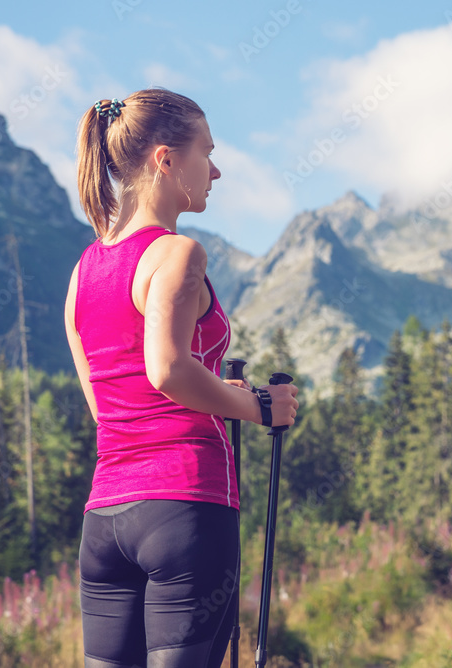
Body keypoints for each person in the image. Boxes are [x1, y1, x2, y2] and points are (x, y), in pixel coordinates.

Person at [64, 88, 298, 668]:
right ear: (165, 159)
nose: (216, 171)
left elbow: (111, 407)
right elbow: (167, 369)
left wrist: (222, 392)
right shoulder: (177, 254)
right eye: (207, 153)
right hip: (186, 504)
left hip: (105, 521)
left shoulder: (83, 271)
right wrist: (259, 407)